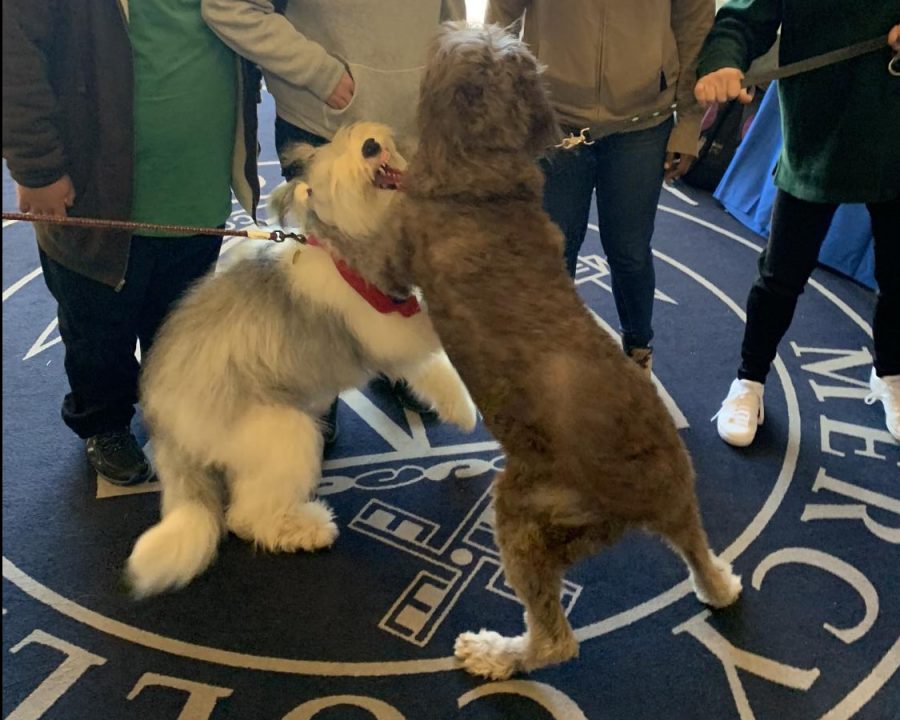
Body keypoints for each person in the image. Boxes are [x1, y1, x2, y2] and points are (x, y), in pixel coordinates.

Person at [2, 0, 260, 485]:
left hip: (196, 187)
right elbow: (13, 52)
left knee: (181, 322)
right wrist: (37, 166)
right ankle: (104, 421)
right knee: (97, 327)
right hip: (96, 193)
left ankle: (176, 410)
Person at [201, 0, 466, 443]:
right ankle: (316, 395)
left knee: (400, 265)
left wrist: (449, 76)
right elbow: (228, 7)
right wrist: (321, 72)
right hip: (324, 125)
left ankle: (396, 365)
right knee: (325, 279)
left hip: (413, 123)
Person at [696, 3, 900, 446]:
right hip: (818, 131)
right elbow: (744, 18)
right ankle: (748, 381)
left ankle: (889, 373)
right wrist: (724, 62)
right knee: (781, 275)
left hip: (895, 130)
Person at [486, 0, 715, 374]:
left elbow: (694, 23)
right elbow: (500, 12)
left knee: (630, 252)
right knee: (553, 251)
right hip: (553, 115)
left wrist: (688, 123)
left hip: (643, 120)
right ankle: (552, 360)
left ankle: (638, 350)